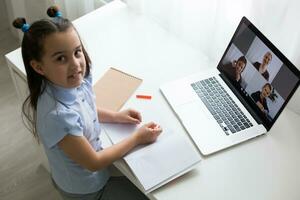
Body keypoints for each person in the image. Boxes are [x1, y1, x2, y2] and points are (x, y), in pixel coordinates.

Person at [13, 6, 162, 200]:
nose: (75, 64)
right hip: (87, 190)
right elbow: (94, 162)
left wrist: (116, 116)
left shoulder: (69, 81)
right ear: (38, 67)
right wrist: (138, 138)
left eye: (77, 52)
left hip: (93, 172)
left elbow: (84, 106)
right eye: (61, 58)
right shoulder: (57, 115)